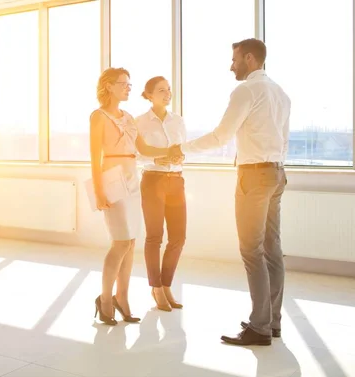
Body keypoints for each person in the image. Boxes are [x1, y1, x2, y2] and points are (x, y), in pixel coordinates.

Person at [168, 38, 291, 346]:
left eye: (235, 59)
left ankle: (259, 327)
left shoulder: (246, 90)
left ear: (250, 59)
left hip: (254, 176)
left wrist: (180, 149)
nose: (231, 65)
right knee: (272, 250)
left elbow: (221, 136)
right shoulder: (280, 93)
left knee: (252, 251)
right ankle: (272, 322)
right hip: (276, 173)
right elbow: (284, 140)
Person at [90, 67, 168, 325]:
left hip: (133, 181)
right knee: (120, 242)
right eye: (123, 83)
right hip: (112, 181)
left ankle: (122, 297)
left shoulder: (129, 117)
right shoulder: (98, 116)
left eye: (129, 84)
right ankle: (105, 298)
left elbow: (142, 148)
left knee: (132, 241)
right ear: (109, 86)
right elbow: (94, 157)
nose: (128, 88)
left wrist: (168, 152)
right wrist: (99, 191)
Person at [135, 76, 187, 311]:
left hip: (176, 181)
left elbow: (183, 148)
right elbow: (136, 155)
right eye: (161, 90)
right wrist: (158, 157)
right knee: (154, 237)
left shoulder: (178, 121)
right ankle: (156, 288)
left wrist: (179, 156)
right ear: (149, 95)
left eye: (169, 90)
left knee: (178, 237)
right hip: (153, 180)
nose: (167, 94)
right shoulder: (139, 122)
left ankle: (166, 285)